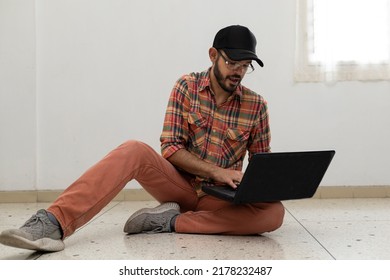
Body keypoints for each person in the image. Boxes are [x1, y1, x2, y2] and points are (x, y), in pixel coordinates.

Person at [0, 25, 285, 252]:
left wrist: (270, 182)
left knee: (274, 214)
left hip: (218, 198)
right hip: (180, 186)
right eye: (233, 61)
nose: (239, 71)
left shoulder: (257, 105)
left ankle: (170, 222)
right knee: (133, 150)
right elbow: (170, 148)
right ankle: (52, 223)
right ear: (213, 55)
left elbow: (263, 164)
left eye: (246, 65)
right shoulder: (186, 86)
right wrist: (216, 171)